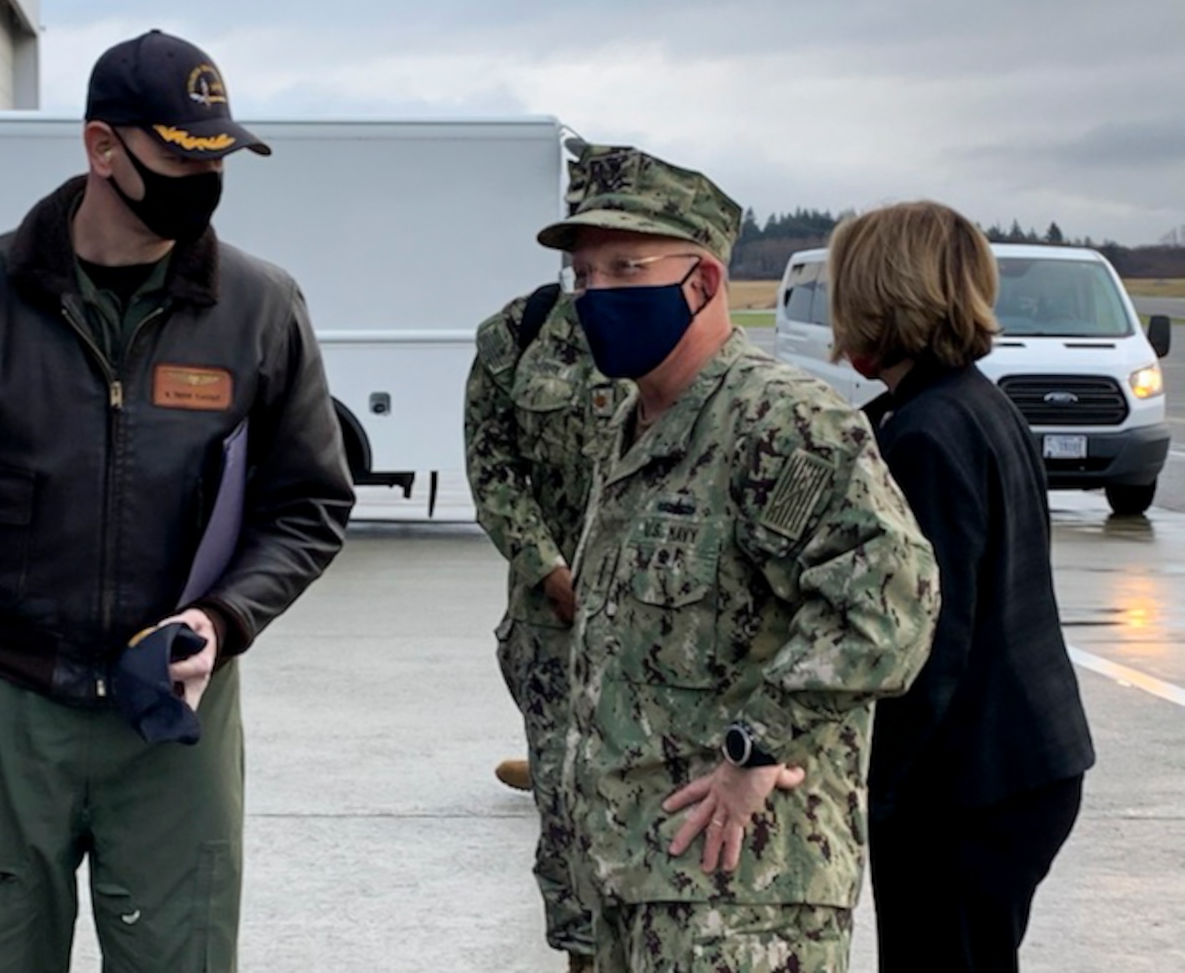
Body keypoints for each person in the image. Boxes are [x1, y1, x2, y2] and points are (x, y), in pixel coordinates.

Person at [0, 30, 354, 973]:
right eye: (176, 158)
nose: (200, 182)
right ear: (101, 148)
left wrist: (227, 616)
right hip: (2, 706)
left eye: (216, 159)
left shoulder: (260, 307)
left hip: (170, 714)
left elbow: (309, 503)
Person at [538, 147, 941, 971]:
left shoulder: (778, 423)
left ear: (705, 282)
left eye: (625, 266)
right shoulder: (635, 425)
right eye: (584, 274)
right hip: (633, 882)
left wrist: (756, 747)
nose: (596, 294)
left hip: (743, 900)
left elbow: (892, 603)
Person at [828, 201, 1095, 973]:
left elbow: (925, 641)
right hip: (1024, 764)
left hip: (970, 784)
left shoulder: (925, 434)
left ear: (880, 296)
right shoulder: (973, 402)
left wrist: (870, 787)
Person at [465, 144, 632, 972]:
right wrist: (546, 565)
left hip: (653, 626)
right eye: (583, 248)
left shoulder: (670, 338)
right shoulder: (516, 335)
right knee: (566, 819)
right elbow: (490, 468)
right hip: (551, 626)